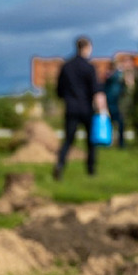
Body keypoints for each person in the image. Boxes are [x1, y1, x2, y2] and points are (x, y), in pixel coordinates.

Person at [54, 36, 108, 180]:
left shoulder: (66, 66)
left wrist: (66, 98)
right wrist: (102, 109)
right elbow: (96, 90)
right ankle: (91, 170)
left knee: (68, 140)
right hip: (86, 109)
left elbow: (59, 89)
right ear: (87, 48)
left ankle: (60, 164)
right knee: (91, 141)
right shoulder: (89, 67)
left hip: (71, 108)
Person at [104, 58, 127, 148]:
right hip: (117, 102)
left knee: (112, 123)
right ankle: (120, 143)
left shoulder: (109, 76)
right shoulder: (118, 75)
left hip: (111, 102)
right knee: (119, 123)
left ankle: (110, 142)